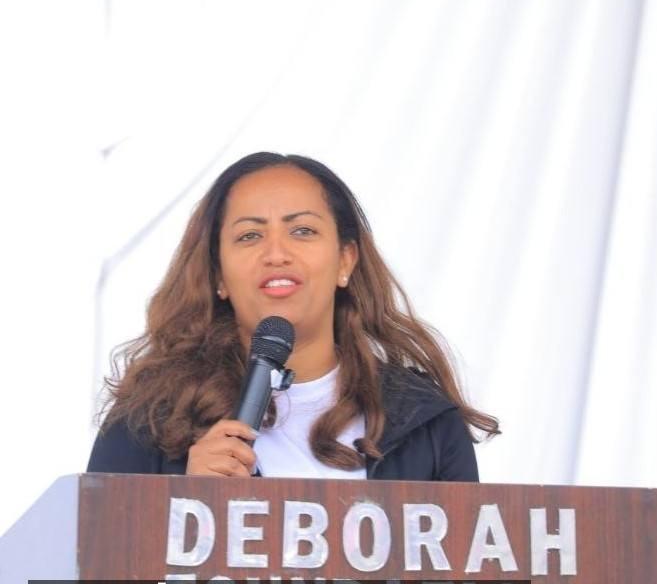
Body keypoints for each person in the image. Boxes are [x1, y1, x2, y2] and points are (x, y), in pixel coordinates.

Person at [88, 152, 499, 480]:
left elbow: (471, 564)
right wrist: (182, 509)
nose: (276, 253)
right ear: (219, 276)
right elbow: (94, 563)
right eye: (250, 235)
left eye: (302, 231)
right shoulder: (145, 422)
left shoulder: (425, 422)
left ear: (345, 260)